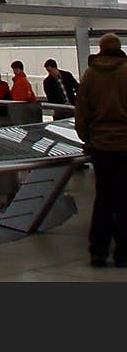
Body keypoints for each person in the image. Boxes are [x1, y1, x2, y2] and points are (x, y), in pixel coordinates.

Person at [75, 33, 127, 267]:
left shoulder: (90, 75)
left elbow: (81, 113)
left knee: (104, 198)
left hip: (101, 147)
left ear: (101, 48)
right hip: (125, 146)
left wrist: (88, 138)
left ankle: (98, 251)